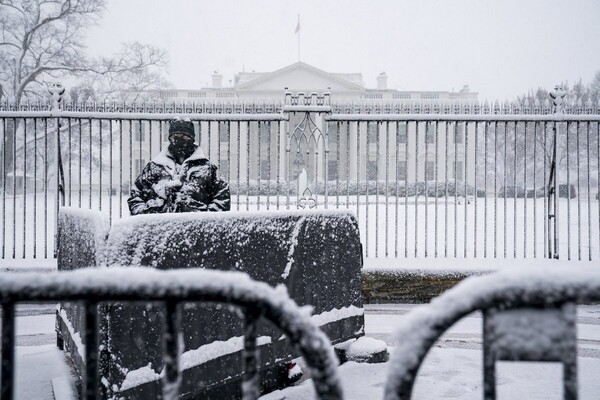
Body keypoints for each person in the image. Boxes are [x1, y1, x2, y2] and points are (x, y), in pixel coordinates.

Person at [128, 118, 230, 215]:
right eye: (176, 136)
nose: (180, 140)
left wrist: (203, 221)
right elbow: (135, 196)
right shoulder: (154, 167)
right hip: (162, 230)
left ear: (192, 139)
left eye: (185, 136)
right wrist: (149, 216)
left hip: (194, 230)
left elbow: (222, 199)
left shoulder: (208, 169)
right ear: (170, 138)